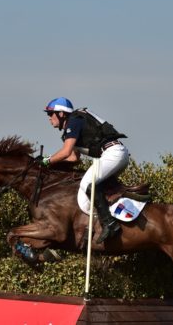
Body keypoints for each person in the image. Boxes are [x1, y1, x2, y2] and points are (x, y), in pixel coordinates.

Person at [40, 97, 129, 243]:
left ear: (61, 114)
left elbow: (66, 152)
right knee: (95, 188)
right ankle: (100, 222)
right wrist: (50, 164)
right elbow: (74, 158)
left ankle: (110, 224)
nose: (49, 118)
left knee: (87, 184)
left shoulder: (74, 121)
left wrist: (46, 161)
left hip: (112, 154)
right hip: (114, 155)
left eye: (51, 114)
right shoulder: (72, 126)